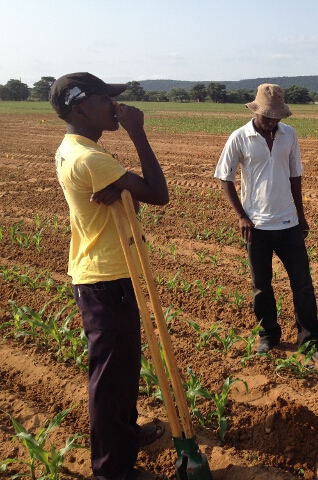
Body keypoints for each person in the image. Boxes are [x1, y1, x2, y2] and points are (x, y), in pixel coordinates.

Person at [50, 72, 169, 480]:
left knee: (121, 370)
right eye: (107, 99)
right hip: (107, 278)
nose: (116, 107)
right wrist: (138, 133)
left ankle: (126, 434)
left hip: (104, 274)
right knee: (110, 379)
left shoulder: (74, 148)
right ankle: (112, 471)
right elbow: (158, 193)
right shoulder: (90, 158)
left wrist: (121, 191)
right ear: (79, 108)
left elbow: (129, 202)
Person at [214, 83, 318, 362]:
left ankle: (310, 341)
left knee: (303, 284)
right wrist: (242, 216)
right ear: (256, 111)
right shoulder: (240, 137)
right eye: (268, 116)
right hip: (257, 226)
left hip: (288, 223)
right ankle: (268, 336)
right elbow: (224, 177)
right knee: (261, 286)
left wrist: (301, 216)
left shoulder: (289, 135)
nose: (273, 122)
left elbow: (295, 176)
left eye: (277, 117)